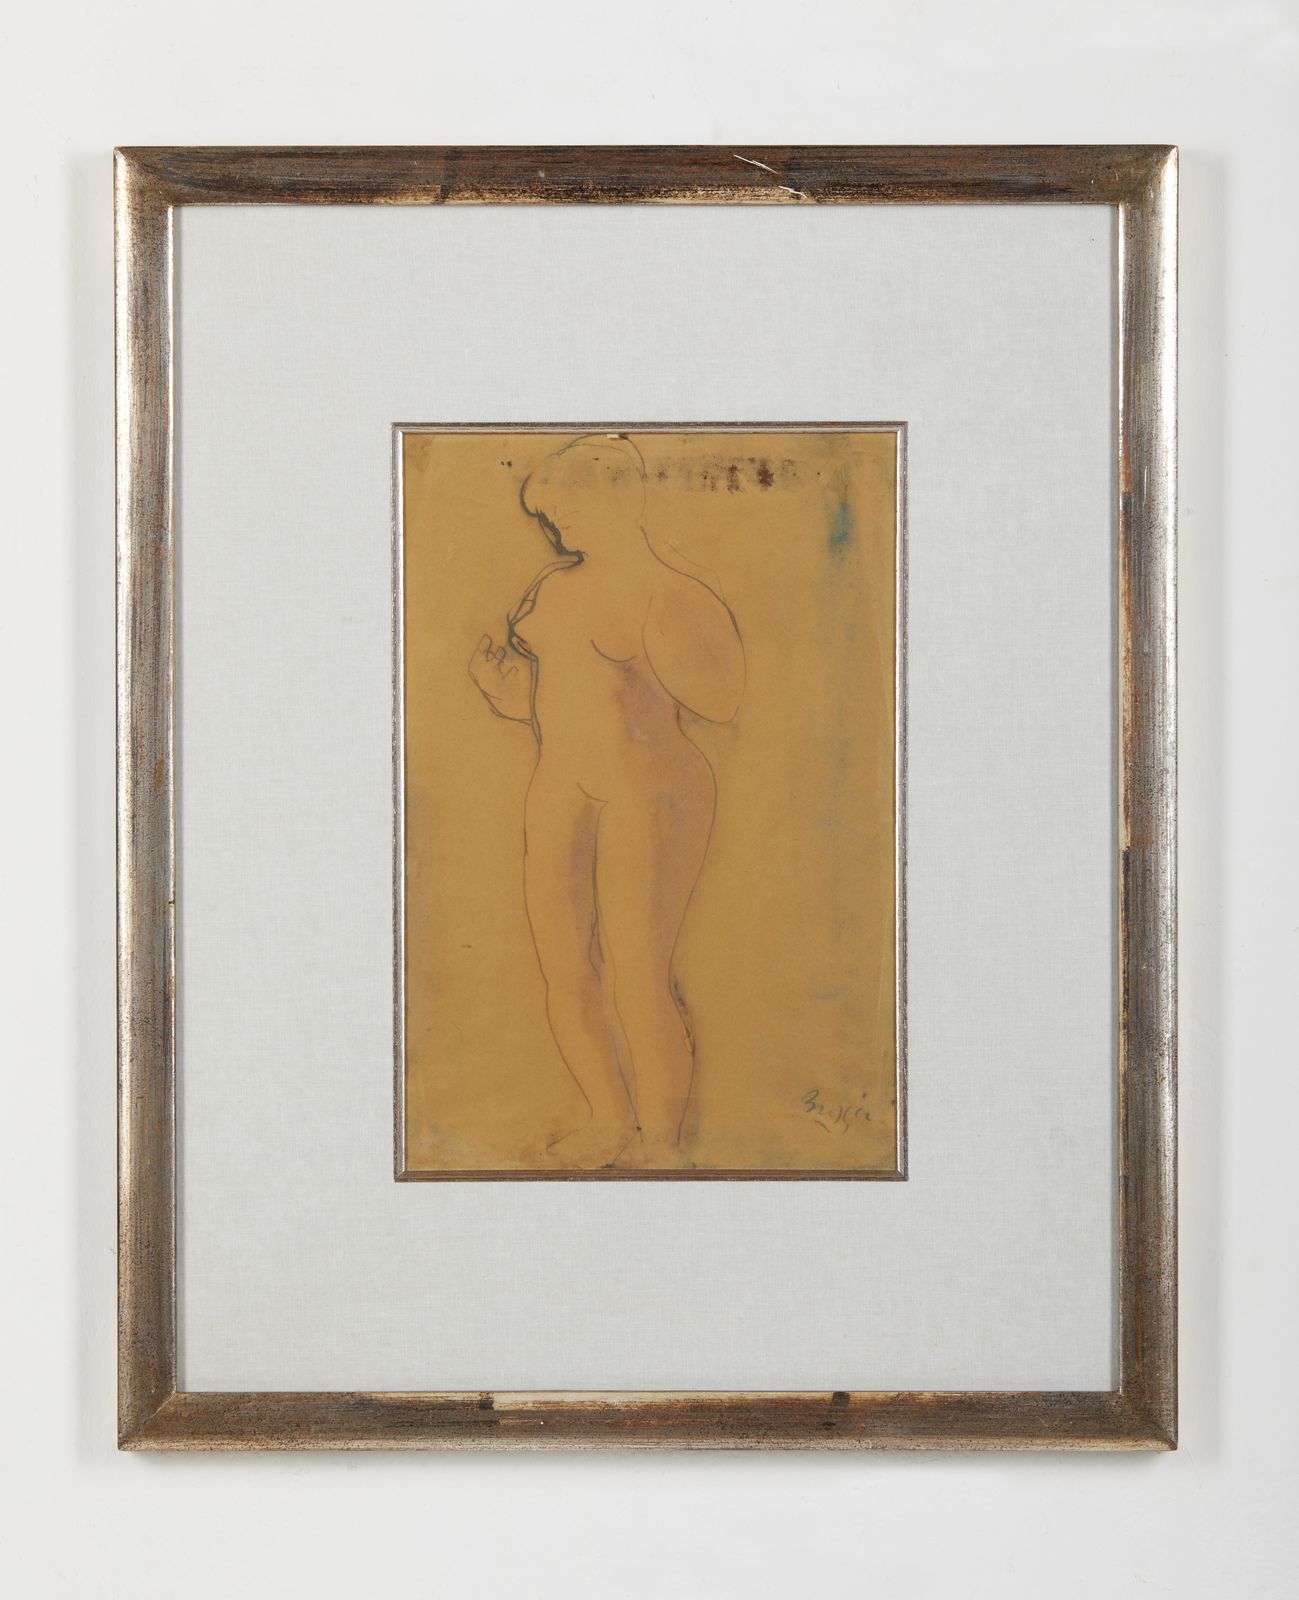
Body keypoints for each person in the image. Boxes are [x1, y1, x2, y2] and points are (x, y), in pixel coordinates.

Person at [468, 434, 745, 1169]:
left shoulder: (672, 594)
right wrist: (503, 691)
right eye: (548, 512)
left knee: (638, 972)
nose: (555, 523)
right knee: (564, 969)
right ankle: (607, 1119)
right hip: (561, 785)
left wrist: (659, 644)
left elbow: (722, 699)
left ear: (620, 499)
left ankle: (662, 1142)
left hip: (649, 792)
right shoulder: (554, 590)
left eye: (567, 507)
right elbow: (551, 702)